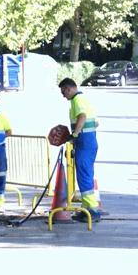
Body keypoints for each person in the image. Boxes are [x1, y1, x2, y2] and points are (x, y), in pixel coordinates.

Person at [58, 77, 101, 222]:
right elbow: (95, 122)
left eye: (64, 92)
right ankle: (86, 209)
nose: (63, 96)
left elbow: (82, 117)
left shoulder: (77, 100)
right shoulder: (83, 100)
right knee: (86, 174)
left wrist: (74, 134)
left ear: (69, 89)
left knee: (84, 175)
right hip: (88, 141)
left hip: (85, 142)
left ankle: (93, 211)